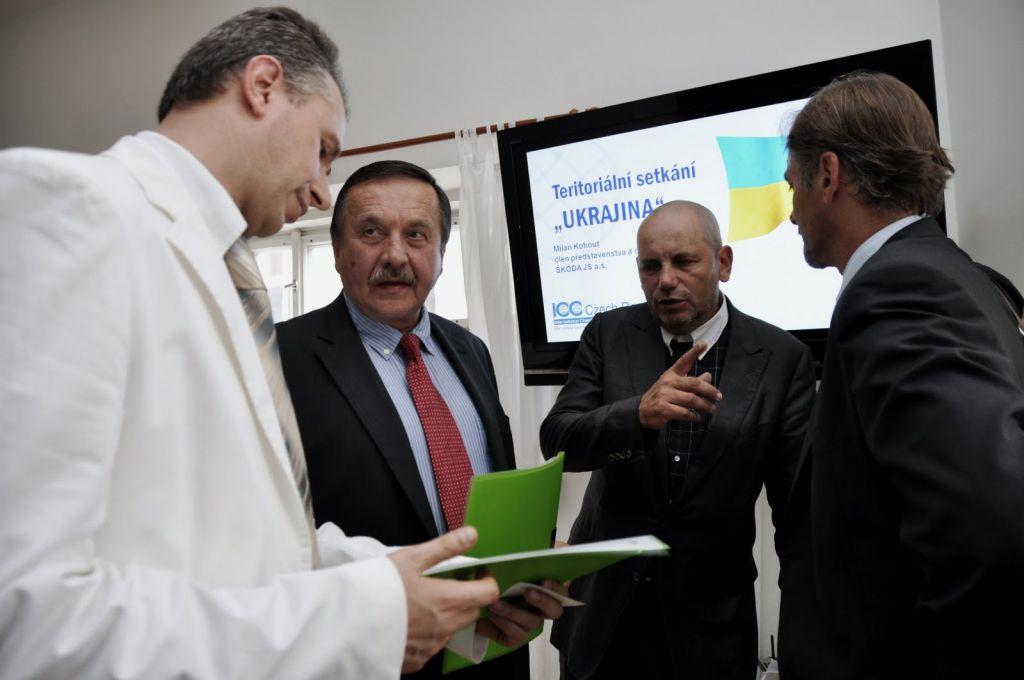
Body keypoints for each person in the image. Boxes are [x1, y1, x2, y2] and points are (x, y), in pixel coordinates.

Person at [0, 8, 503, 678]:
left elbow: (254, 538)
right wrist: (362, 618)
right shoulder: (70, 206)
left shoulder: (224, 275)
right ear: (263, 86)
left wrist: (426, 583)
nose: (321, 190)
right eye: (323, 149)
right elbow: (27, 617)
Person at [277, 159, 567, 679]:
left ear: (441, 255)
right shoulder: (278, 356)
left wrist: (532, 561)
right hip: (374, 657)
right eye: (371, 232)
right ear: (338, 251)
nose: (395, 255)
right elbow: (270, 535)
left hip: (493, 644)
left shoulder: (470, 350)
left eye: (416, 235)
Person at [779, 71, 1024, 679]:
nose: (790, 213)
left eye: (792, 186)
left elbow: (991, 532)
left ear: (828, 175)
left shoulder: (897, 287)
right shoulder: (964, 275)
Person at [540, 200, 815, 680]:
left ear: (723, 263)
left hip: (711, 631)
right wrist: (637, 416)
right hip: (603, 623)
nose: (665, 280)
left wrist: (805, 642)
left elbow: (798, 517)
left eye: (683, 262)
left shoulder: (781, 358)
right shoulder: (609, 333)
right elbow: (559, 439)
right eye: (651, 266)